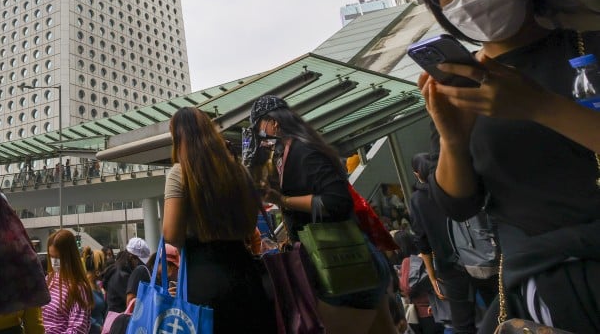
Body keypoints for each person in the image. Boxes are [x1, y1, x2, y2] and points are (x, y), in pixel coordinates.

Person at [417, 0, 600, 333]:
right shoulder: (458, 89)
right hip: (543, 290)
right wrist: (452, 139)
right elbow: (459, 205)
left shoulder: (589, 50)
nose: (464, 0)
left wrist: (538, 106)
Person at [247, 96, 394, 334]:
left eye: (260, 126)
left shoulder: (304, 151)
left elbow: (336, 202)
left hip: (340, 266)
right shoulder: (294, 150)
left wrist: (282, 200)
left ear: (274, 122)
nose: (259, 134)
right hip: (352, 261)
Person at [163, 106, 276, 333]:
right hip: (245, 273)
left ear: (178, 138)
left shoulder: (180, 172)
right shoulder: (239, 171)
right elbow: (248, 225)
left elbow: (171, 234)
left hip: (203, 276)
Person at [408, 153, 495, 334]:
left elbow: (421, 240)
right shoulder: (454, 186)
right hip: (478, 256)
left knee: (461, 321)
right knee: (497, 307)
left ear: (417, 174)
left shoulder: (417, 200)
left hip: (448, 266)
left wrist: (432, 276)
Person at [43, 229, 92, 334]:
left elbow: (77, 329)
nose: (55, 262)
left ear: (69, 257)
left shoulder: (79, 288)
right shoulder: (48, 279)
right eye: (52, 257)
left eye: (58, 258)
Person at [102, 238, 148, 312]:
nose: (138, 265)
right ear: (131, 257)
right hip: (120, 318)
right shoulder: (121, 275)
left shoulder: (119, 270)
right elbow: (131, 302)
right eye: (138, 261)